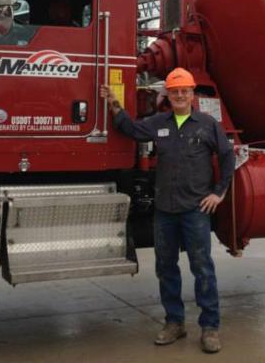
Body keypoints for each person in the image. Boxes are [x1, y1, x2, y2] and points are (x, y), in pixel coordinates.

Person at [100, 68, 235, 354]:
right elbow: (131, 129)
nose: (180, 95)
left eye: (185, 91)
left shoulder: (207, 124)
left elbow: (227, 156)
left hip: (195, 209)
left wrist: (219, 193)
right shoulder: (159, 122)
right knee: (166, 268)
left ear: (192, 94)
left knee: (202, 268)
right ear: (169, 95)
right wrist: (114, 103)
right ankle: (175, 322)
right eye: (175, 91)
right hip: (165, 211)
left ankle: (210, 327)